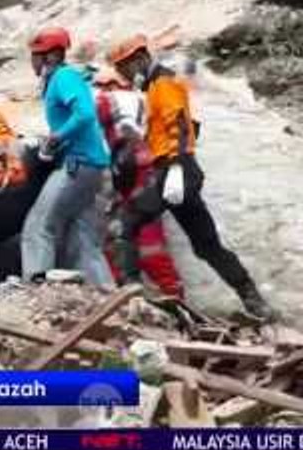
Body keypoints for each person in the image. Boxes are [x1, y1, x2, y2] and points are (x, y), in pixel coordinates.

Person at [107, 35, 274, 320]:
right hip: (180, 170)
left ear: (138, 60)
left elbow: (180, 125)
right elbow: (181, 126)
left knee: (123, 224)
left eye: (124, 69)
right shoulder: (156, 86)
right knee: (207, 246)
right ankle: (255, 301)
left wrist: (174, 167)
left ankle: (131, 297)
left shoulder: (164, 83)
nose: (123, 76)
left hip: (175, 170)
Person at [21, 27, 114, 287]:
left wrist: (57, 137)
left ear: (50, 56)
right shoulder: (64, 79)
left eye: (35, 55)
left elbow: (84, 114)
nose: (32, 61)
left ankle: (35, 289)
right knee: (83, 239)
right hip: (92, 166)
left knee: (38, 226)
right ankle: (106, 295)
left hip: (79, 164)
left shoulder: (64, 77)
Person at [93, 74, 184, 298]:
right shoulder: (142, 100)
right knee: (137, 240)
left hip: (133, 173)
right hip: (141, 172)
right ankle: (166, 295)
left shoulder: (110, 100)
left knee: (139, 242)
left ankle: (133, 295)